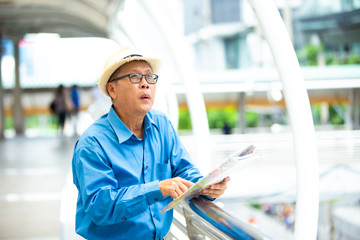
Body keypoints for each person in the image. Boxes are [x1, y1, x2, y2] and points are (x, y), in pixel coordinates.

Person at [71, 46, 230, 240]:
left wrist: (205, 187)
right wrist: (158, 188)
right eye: (135, 77)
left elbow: (182, 169)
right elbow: (100, 207)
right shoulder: (92, 143)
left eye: (150, 77)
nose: (145, 84)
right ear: (112, 89)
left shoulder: (161, 124)